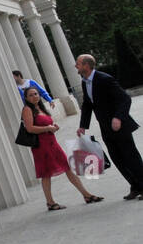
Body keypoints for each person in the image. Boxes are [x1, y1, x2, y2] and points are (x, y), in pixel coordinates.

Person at [21, 85, 102, 209]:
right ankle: (50, 202)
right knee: (46, 173)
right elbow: (30, 128)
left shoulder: (41, 108)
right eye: (31, 95)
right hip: (41, 146)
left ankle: (86, 194)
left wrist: (53, 127)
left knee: (67, 167)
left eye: (36, 94)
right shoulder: (27, 109)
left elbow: (45, 124)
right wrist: (48, 128)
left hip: (52, 143)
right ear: (26, 98)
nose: (34, 97)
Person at [76, 54, 143, 200]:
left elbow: (125, 99)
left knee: (131, 156)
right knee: (117, 158)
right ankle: (135, 186)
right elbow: (87, 104)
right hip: (105, 127)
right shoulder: (84, 81)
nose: (76, 66)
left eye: (78, 64)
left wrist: (118, 117)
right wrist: (83, 126)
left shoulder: (104, 79)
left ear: (86, 66)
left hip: (119, 125)